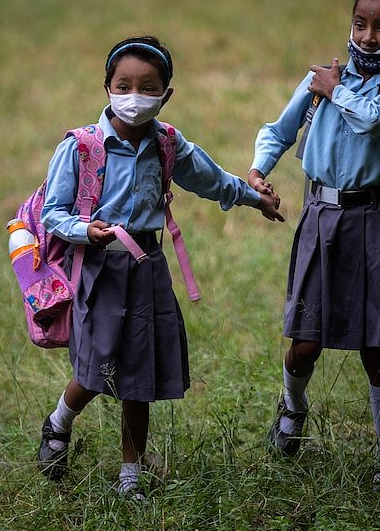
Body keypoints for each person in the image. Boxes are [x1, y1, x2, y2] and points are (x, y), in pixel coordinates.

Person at [37, 36, 283, 497]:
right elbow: (53, 211)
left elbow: (213, 181)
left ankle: (130, 478)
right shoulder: (81, 147)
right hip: (99, 271)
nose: (134, 96)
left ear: (166, 94)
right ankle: (58, 422)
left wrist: (256, 199)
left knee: (140, 376)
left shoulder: (168, 144)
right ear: (107, 86)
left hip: (148, 267)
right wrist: (85, 231)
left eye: (148, 88)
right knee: (96, 367)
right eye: (124, 84)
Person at [248, 0, 380, 479]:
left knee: (375, 347)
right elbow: (280, 129)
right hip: (321, 218)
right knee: (306, 341)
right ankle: (292, 411)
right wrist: (260, 169)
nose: (368, 36)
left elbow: (372, 119)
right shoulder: (324, 77)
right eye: (360, 23)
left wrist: (336, 91)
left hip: (374, 220)